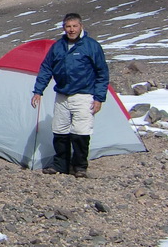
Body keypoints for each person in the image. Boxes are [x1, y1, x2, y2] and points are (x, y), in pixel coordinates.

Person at [30, 12, 109, 178]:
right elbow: (46, 68)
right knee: (60, 131)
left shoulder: (91, 46)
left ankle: (79, 166)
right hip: (62, 95)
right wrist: (38, 91)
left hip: (84, 95)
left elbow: (102, 72)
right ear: (63, 28)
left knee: (81, 132)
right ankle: (60, 165)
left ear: (81, 26)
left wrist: (99, 98)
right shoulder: (58, 46)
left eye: (74, 26)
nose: (71, 30)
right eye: (68, 26)